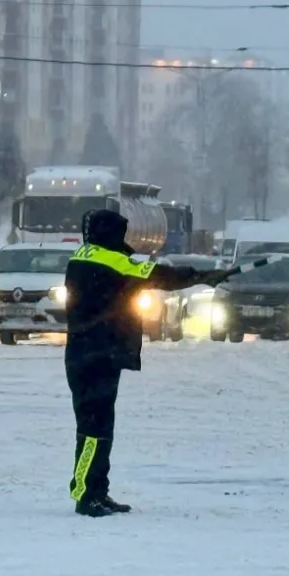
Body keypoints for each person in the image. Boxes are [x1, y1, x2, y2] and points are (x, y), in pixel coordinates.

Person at [63, 209, 230, 517]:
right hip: (96, 354)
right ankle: (86, 494)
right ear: (109, 233)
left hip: (89, 352)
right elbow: (157, 275)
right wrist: (202, 276)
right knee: (92, 429)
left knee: (99, 427)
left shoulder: (85, 255)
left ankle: (98, 490)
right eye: (120, 234)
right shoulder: (109, 260)